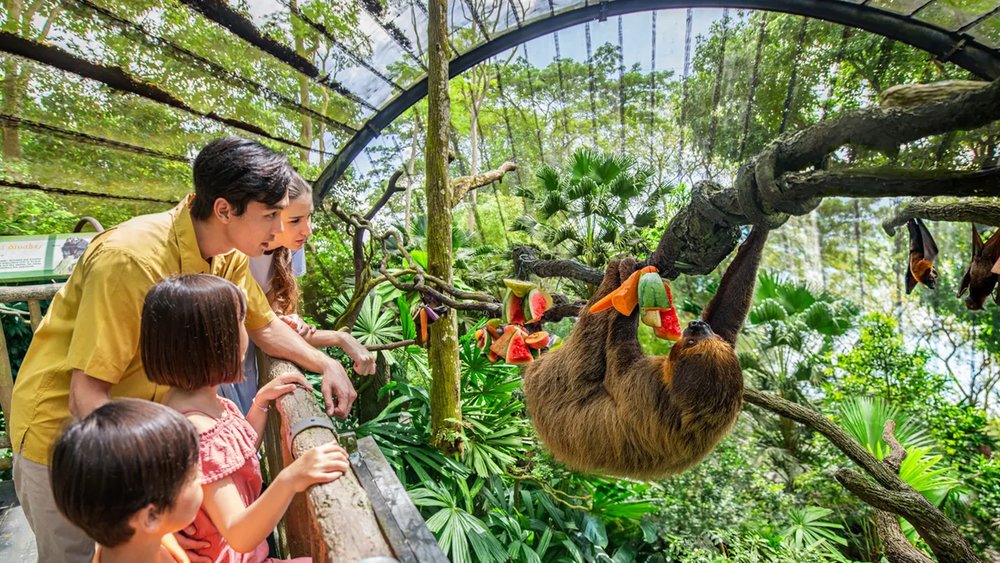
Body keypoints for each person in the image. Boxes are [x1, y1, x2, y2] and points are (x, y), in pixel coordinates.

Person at [10, 137, 363, 563]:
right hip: (70, 442)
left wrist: (326, 363)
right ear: (224, 210)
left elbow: (264, 325)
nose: (278, 230)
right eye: (270, 215)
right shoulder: (130, 260)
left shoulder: (229, 254)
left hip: (145, 445)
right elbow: (86, 397)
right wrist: (154, 515)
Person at [144, 274, 349, 562]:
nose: (247, 333)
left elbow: (232, 465)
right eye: (241, 322)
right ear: (215, 341)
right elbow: (238, 534)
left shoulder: (195, 405)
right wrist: (291, 478)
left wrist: (260, 404)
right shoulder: (198, 434)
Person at [221, 172, 376, 414]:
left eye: (309, 217)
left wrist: (339, 337)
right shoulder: (232, 255)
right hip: (217, 365)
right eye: (294, 220)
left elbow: (275, 329)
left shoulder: (289, 251)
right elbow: (265, 329)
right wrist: (330, 355)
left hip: (247, 365)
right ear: (268, 217)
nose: (308, 230)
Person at [50, 399, 203, 563]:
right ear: (151, 516)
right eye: (192, 476)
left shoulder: (149, 538)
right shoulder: (151, 539)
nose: (201, 477)